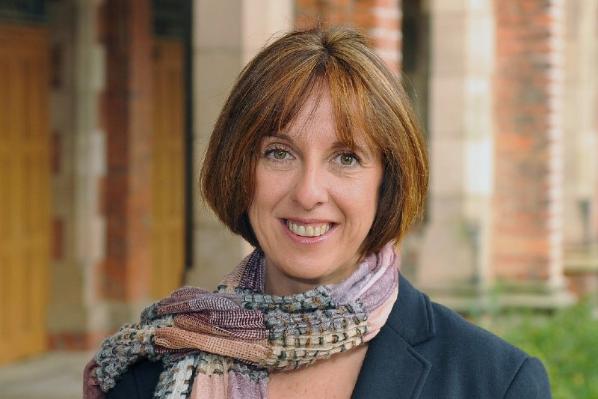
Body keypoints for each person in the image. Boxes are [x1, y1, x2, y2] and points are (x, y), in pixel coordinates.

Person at [84, 27, 551, 399]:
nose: (308, 193)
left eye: (346, 158)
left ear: (385, 181)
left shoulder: (494, 382)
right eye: (278, 153)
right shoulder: (150, 370)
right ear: (239, 169)